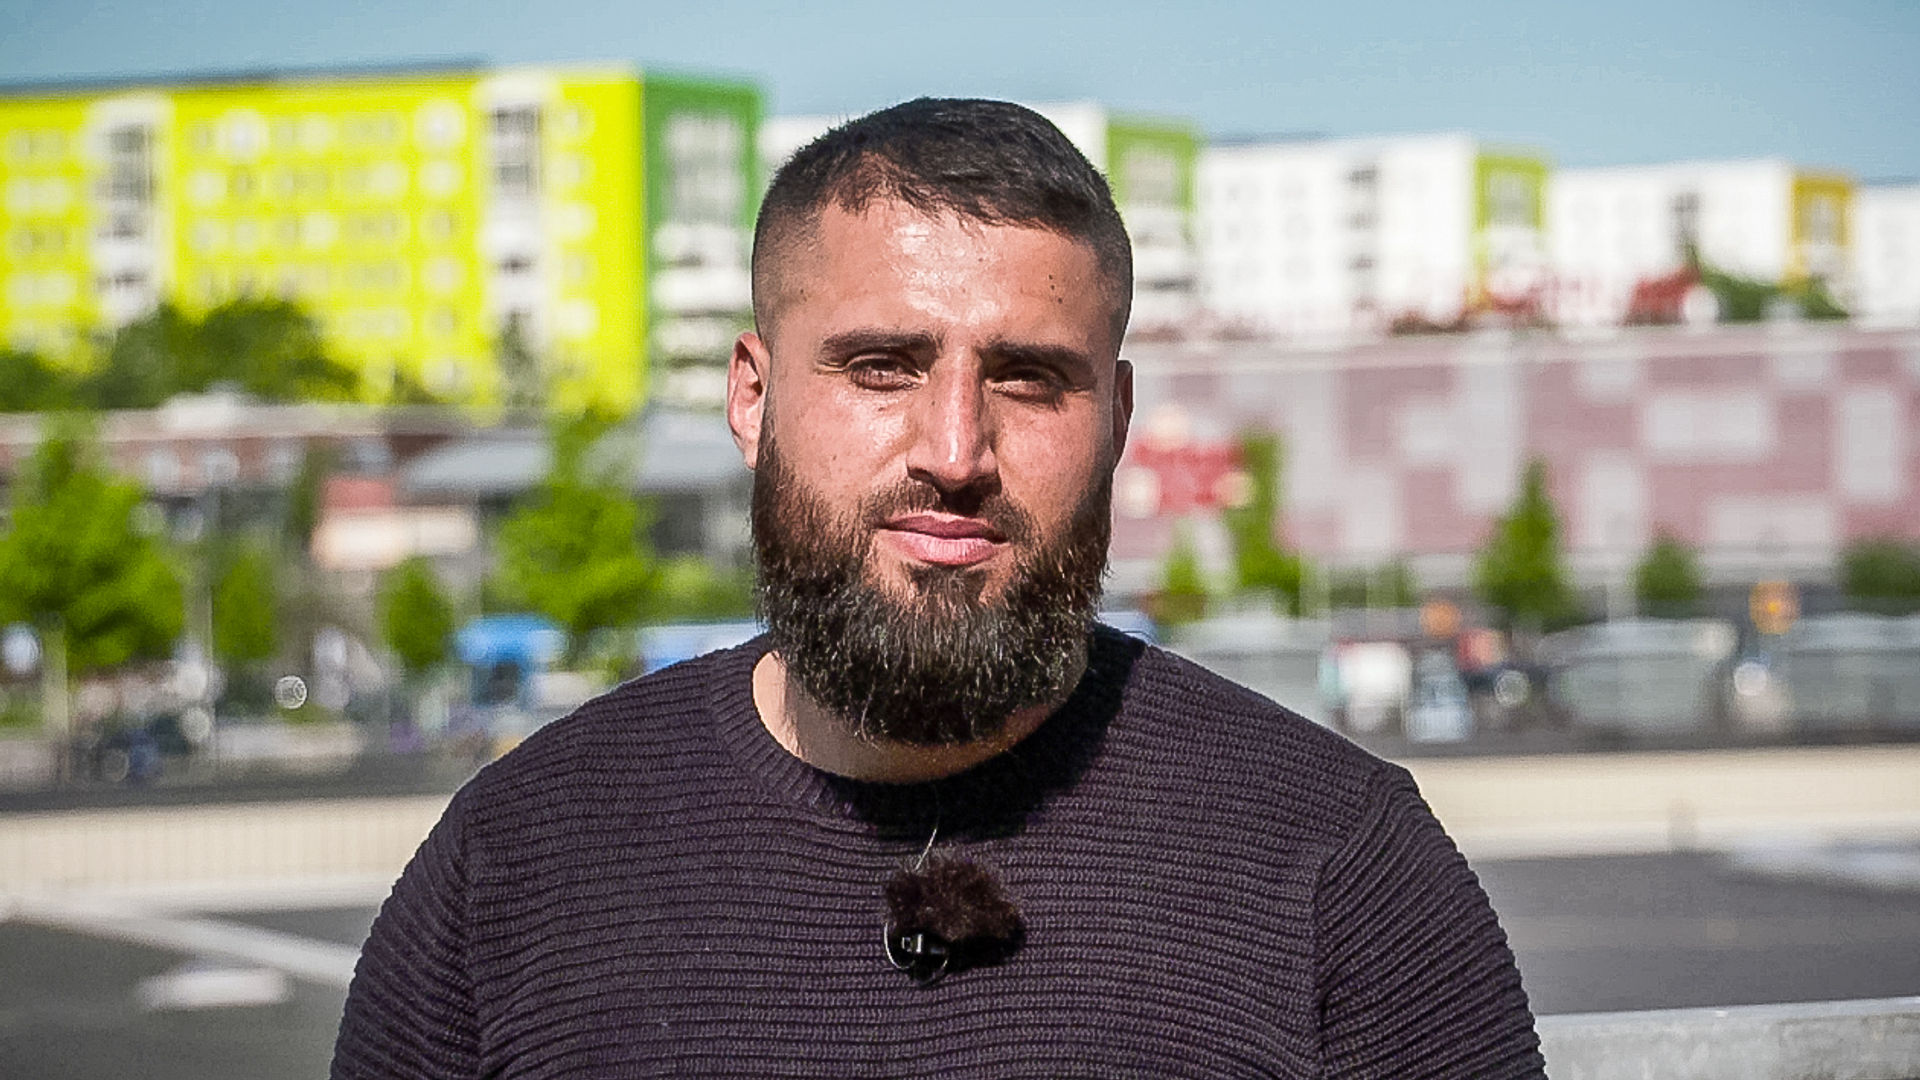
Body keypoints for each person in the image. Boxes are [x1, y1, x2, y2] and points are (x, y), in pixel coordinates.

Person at [332, 98, 1545, 1079]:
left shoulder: (1336, 864)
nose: (955, 451)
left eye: (1028, 378)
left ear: (1118, 419)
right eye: (881, 366)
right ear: (752, 397)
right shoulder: (517, 864)